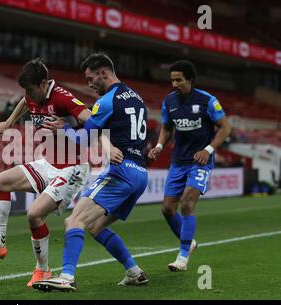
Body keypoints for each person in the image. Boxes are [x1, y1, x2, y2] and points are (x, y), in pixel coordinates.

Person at [0, 58, 120, 287]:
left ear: (43, 84)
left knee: (33, 215)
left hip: (73, 168)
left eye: (30, 90)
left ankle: (43, 270)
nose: (28, 95)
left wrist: (104, 146)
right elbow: (23, 101)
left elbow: (94, 122)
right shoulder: (32, 94)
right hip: (48, 163)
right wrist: (9, 122)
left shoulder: (62, 98)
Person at [32, 53, 149, 292]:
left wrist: (64, 129)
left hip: (122, 173)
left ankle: (66, 277)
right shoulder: (137, 97)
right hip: (140, 173)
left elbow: (85, 140)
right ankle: (134, 272)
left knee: (74, 220)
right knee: (96, 226)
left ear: (103, 73)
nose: (89, 84)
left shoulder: (106, 102)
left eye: (91, 78)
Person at [148, 60, 232, 271]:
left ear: (190, 80)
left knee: (187, 204)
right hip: (178, 161)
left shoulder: (207, 101)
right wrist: (159, 146)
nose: (174, 84)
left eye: (179, 80)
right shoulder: (169, 101)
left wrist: (208, 150)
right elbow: (167, 128)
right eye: (172, 80)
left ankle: (183, 256)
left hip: (200, 162)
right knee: (167, 208)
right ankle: (190, 241)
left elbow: (224, 128)